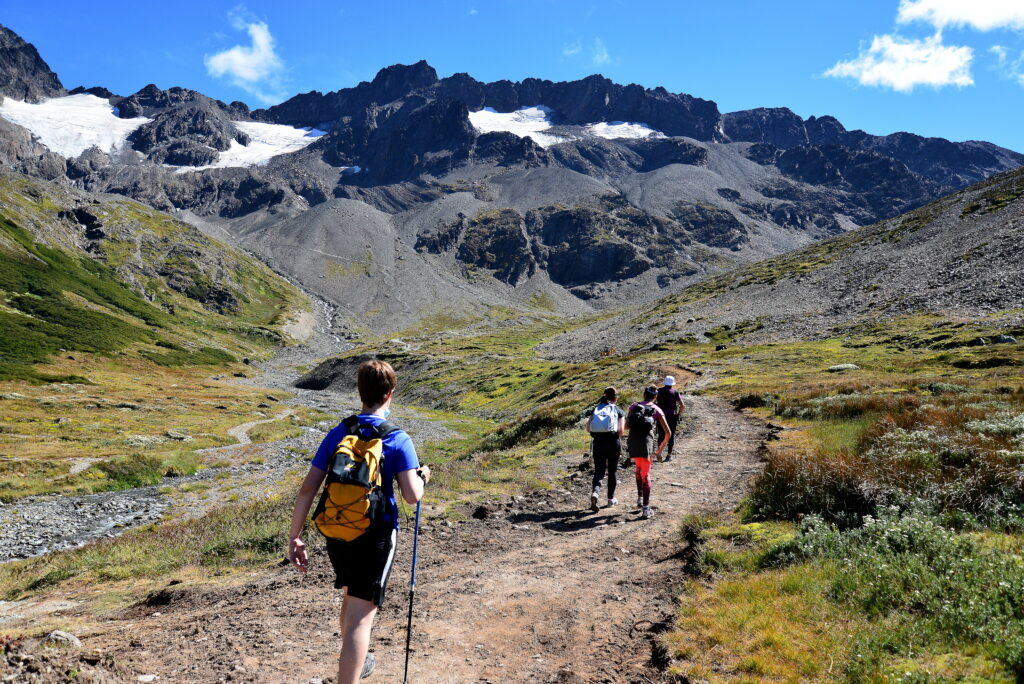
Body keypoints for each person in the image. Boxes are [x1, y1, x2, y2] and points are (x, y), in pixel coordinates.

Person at [287, 359, 431, 683]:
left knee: (352, 600)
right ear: (390, 393)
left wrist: (295, 536)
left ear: (360, 391)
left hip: (337, 532)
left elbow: (308, 488)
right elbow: (411, 496)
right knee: (360, 620)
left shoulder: (340, 432)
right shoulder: (398, 439)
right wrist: (423, 476)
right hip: (375, 535)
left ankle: (357, 663)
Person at [626, 385, 671, 519]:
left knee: (638, 470)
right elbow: (668, 432)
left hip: (633, 441)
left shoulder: (634, 407)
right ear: (655, 396)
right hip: (647, 443)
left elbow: (627, 426)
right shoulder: (656, 409)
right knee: (646, 474)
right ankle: (646, 508)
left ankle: (640, 498)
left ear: (644, 394)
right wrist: (660, 449)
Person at [585, 386, 626, 512]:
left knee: (599, 471)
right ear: (616, 398)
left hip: (598, 443)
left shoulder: (596, 409)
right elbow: (621, 431)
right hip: (613, 443)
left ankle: (595, 493)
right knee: (612, 471)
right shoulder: (618, 410)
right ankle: (610, 499)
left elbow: (588, 428)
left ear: (604, 396)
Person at [655, 375, 684, 462]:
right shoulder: (675, 392)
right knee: (671, 435)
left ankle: (659, 452)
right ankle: (669, 455)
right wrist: (678, 414)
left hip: (660, 416)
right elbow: (682, 405)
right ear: (672, 383)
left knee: (661, 435)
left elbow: (654, 402)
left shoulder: (658, 391)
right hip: (672, 416)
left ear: (665, 382)